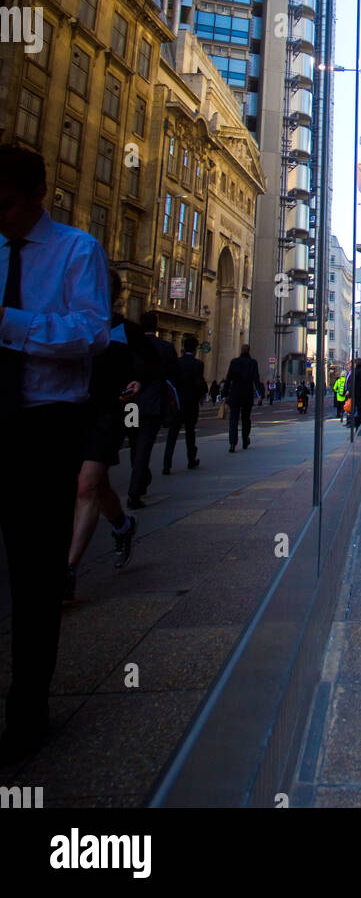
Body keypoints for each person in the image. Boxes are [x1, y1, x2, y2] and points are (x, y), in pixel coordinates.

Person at [0, 145, 111, 764]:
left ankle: (27, 707)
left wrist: (9, 323)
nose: (0, 217)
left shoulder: (76, 251)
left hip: (43, 429)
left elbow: (90, 333)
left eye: (7, 205)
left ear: (36, 195)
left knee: (36, 574)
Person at [67, 269, 158, 597]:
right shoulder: (70, 322)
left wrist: (139, 382)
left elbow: (151, 366)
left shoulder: (125, 330)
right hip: (70, 410)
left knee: (87, 484)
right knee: (96, 484)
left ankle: (69, 571)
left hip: (109, 413)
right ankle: (122, 525)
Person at [127, 312, 180, 508]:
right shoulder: (165, 347)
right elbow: (175, 375)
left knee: (134, 442)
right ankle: (135, 490)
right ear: (157, 326)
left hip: (131, 404)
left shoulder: (130, 345)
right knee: (144, 446)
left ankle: (140, 477)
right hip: (152, 404)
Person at [163, 336, 207, 473]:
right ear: (194, 350)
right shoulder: (198, 364)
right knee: (190, 432)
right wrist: (202, 394)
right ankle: (191, 459)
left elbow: (169, 381)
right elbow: (200, 383)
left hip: (177, 403)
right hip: (191, 404)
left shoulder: (177, 363)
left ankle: (166, 464)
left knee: (172, 434)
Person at [223, 343, 261, 451]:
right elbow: (256, 379)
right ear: (249, 351)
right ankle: (245, 440)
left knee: (233, 420)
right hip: (247, 395)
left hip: (235, 394)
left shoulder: (234, 362)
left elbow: (228, 378)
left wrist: (224, 394)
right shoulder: (253, 363)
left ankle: (232, 443)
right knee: (246, 419)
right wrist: (259, 394)